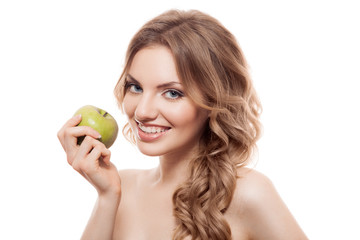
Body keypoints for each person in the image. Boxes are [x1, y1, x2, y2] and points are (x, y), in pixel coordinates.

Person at [58, 9, 307, 240]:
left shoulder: (249, 194)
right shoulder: (120, 187)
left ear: (213, 101)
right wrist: (107, 198)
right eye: (135, 87)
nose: (142, 112)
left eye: (172, 93)